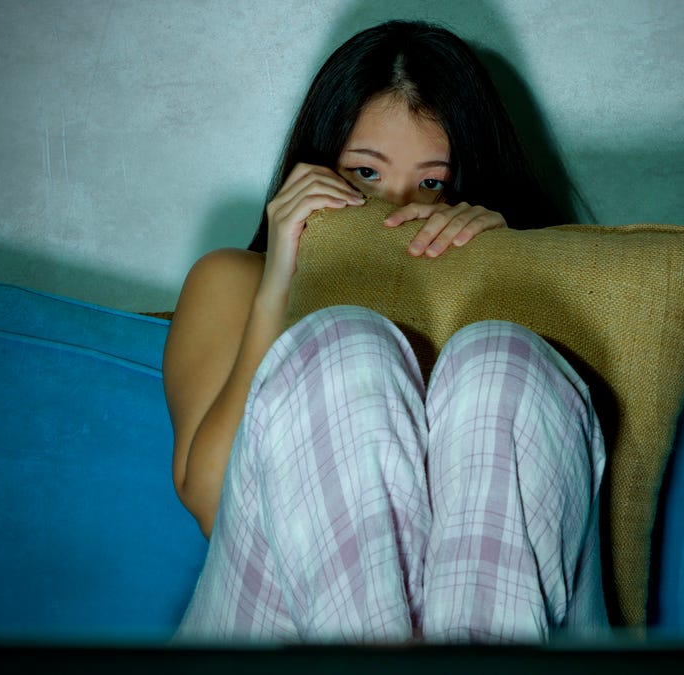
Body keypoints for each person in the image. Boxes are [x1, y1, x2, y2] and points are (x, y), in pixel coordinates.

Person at [163, 19, 608, 645]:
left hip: (521, 622)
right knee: (346, 345)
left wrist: (501, 264)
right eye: (365, 174)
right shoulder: (233, 280)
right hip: (280, 625)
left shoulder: (521, 288)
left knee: (499, 356)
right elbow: (210, 499)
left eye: (432, 183)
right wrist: (281, 287)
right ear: (315, 163)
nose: (396, 207)